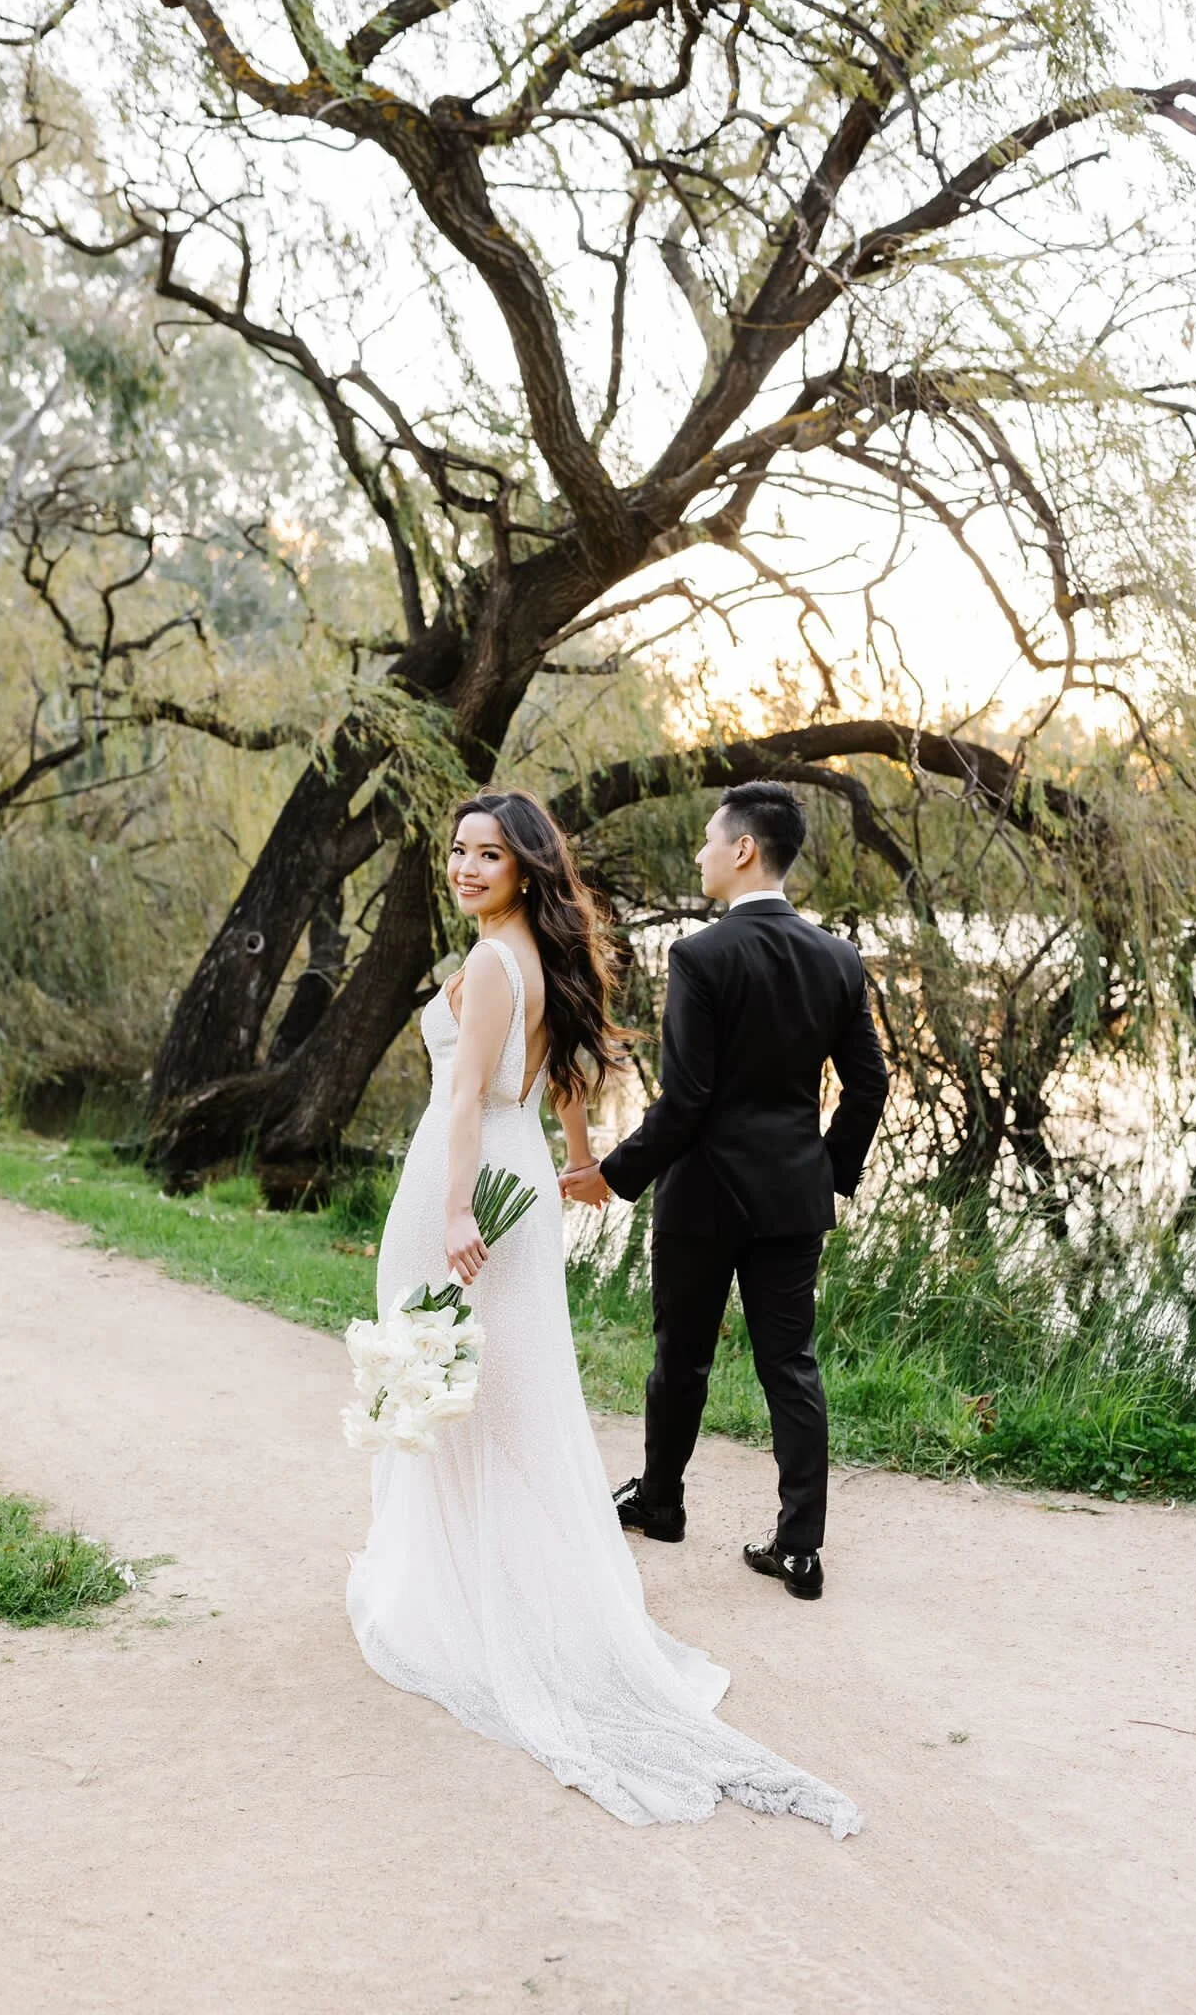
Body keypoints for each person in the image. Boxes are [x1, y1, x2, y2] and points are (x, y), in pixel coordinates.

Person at [346, 788, 860, 1834]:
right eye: (455, 851)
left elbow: (467, 1097)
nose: (463, 866)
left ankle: (467, 1598)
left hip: (477, 1180)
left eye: (485, 853)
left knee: (468, 1384)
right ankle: (565, 1575)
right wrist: (580, 1160)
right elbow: (572, 1069)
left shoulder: (498, 961)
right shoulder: (547, 952)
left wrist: (455, 1208)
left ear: (524, 864)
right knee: (521, 1391)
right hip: (538, 1172)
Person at [561, 781, 889, 1602]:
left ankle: (663, 1503)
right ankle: (801, 1549)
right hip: (791, 1198)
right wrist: (826, 1168)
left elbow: (687, 1102)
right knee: (792, 1368)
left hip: (702, 1197)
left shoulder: (701, 956)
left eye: (711, 841)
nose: (700, 854)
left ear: (744, 850)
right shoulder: (838, 957)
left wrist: (613, 1172)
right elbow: (870, 1086)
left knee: (681, 1357)